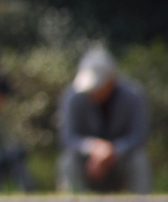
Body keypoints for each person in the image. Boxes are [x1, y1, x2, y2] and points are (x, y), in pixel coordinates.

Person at [57, 46, 151, 193]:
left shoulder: (134, 95)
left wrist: (112, 151)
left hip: (121, 160)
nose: (92, 92)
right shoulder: (73, 97)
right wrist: (94, 147)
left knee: (139, 160)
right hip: (86, 162)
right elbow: (69, 138)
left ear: (111, 79)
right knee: (68, 161)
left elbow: (138, 136)